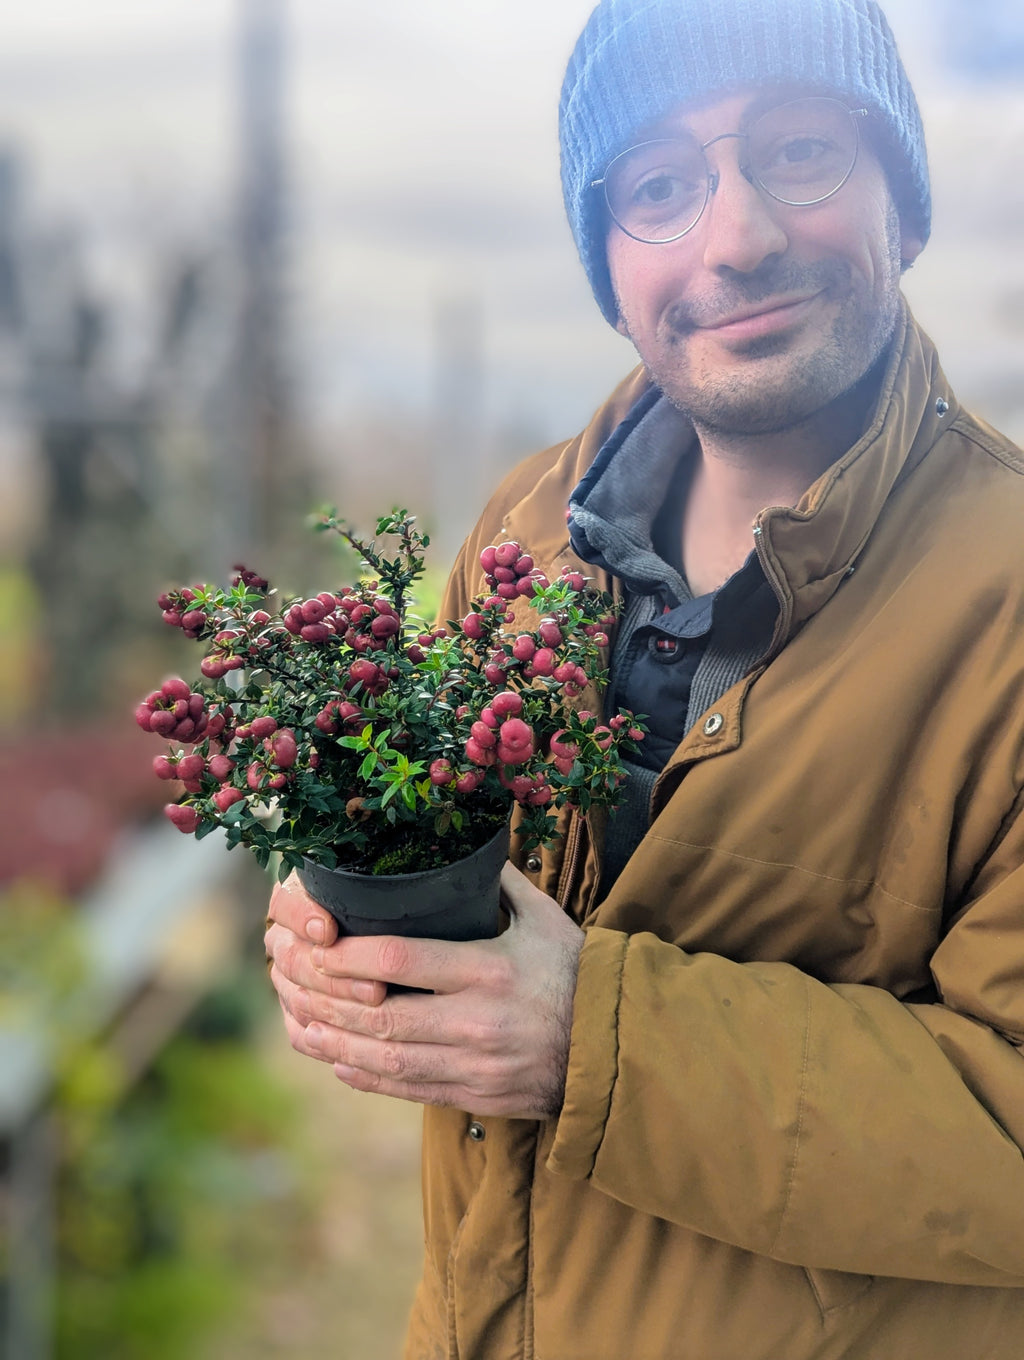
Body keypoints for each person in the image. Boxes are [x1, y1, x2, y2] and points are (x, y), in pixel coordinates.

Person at [264, 1, 1024, 1355]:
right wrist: (343, 913)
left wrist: (592, 1040)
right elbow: (456, 865)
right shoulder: (525, 532)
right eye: (663, 185)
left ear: (900, 198)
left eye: (798, 151)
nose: (738, 235)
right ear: (608, 263)